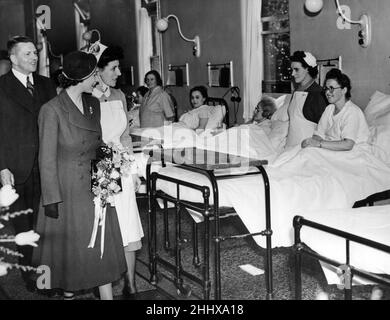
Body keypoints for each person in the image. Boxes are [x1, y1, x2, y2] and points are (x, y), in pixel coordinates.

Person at [33, 51, 126, 300]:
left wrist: (112, 179)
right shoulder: (51, 110)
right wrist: (51, 200)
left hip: (95, 187)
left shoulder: (94, 104)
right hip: (67, 191)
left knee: (101, 248)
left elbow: (98, 145)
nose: (97, 76)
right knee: (71, 257)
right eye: (94, 72)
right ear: (82, 77)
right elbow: (46, 158)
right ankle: (68, 292)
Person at [0, 36, 57, 291]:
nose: (34, 57)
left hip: (46, 165)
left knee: (46, 222)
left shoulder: (47, 85)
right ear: (13, 58)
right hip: (16, 168)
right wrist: (2, 168)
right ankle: (30, 276)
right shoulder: (1, 87)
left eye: (35, 52)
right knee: (24, 225)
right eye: (27, 54)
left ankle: (48, 271)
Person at [91, 44, 144, 297]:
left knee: (129, 224)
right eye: (113, 68)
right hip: (99, 168)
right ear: (98, 70)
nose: (118, 72)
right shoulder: (85, 97)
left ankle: (130, 283)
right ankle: (105, 282)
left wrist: (132, 172)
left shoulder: (120, 95)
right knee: (104, 227)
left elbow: (124, 136)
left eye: (118, 68)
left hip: (121, 165)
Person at [302, 68, 370, 151]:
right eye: (326, 88)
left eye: (331, 88)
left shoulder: (352, 111)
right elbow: (319, 134)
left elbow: (348, 145)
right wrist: (311, 142)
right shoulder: (329, 109)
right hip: (333, 150)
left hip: (354, 153)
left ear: (344, 90)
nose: (327, 92)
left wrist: (319, 144)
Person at [286, 51, 328, 147]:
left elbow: (325, 129)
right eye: (292, 70)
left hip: (306, 151)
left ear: (308, 69)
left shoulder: (318, 94)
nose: (292, 73)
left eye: (296, 69)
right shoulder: (296, 92)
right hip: (290, 147)